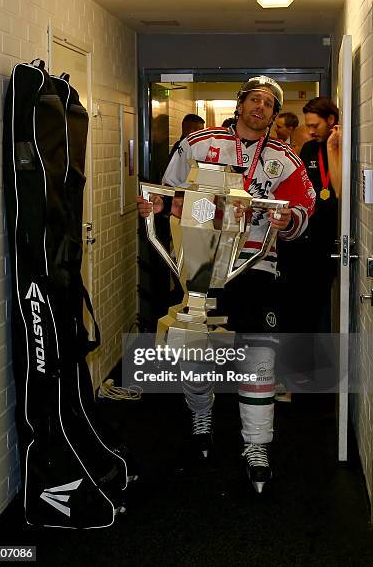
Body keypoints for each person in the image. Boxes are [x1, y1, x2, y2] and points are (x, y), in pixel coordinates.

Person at [137, 76, 315, 493]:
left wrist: (288, 221)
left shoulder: (283, 158)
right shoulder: (199, 143)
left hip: (257, 266)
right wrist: (159, 206)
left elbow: (304, 212)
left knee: (259, 359)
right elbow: (170, 192)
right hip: (203, 262)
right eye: (254, 100)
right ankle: (202, 412)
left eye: (269, 104)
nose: (261, 108)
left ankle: (256, 447)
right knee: (198, 353)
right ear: (240, 105)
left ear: (273, 114)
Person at [277, 98, 340, 396]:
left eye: (316, 125)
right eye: (308, 125)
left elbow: (337, 190)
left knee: (313, 308)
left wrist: (331, 149)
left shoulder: (338, 148)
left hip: (325, 245)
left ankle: (309, 373)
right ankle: (293, 372)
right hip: (299, 241)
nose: (311, 131)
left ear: (332, 120)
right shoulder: (308, 150)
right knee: (293, 307)